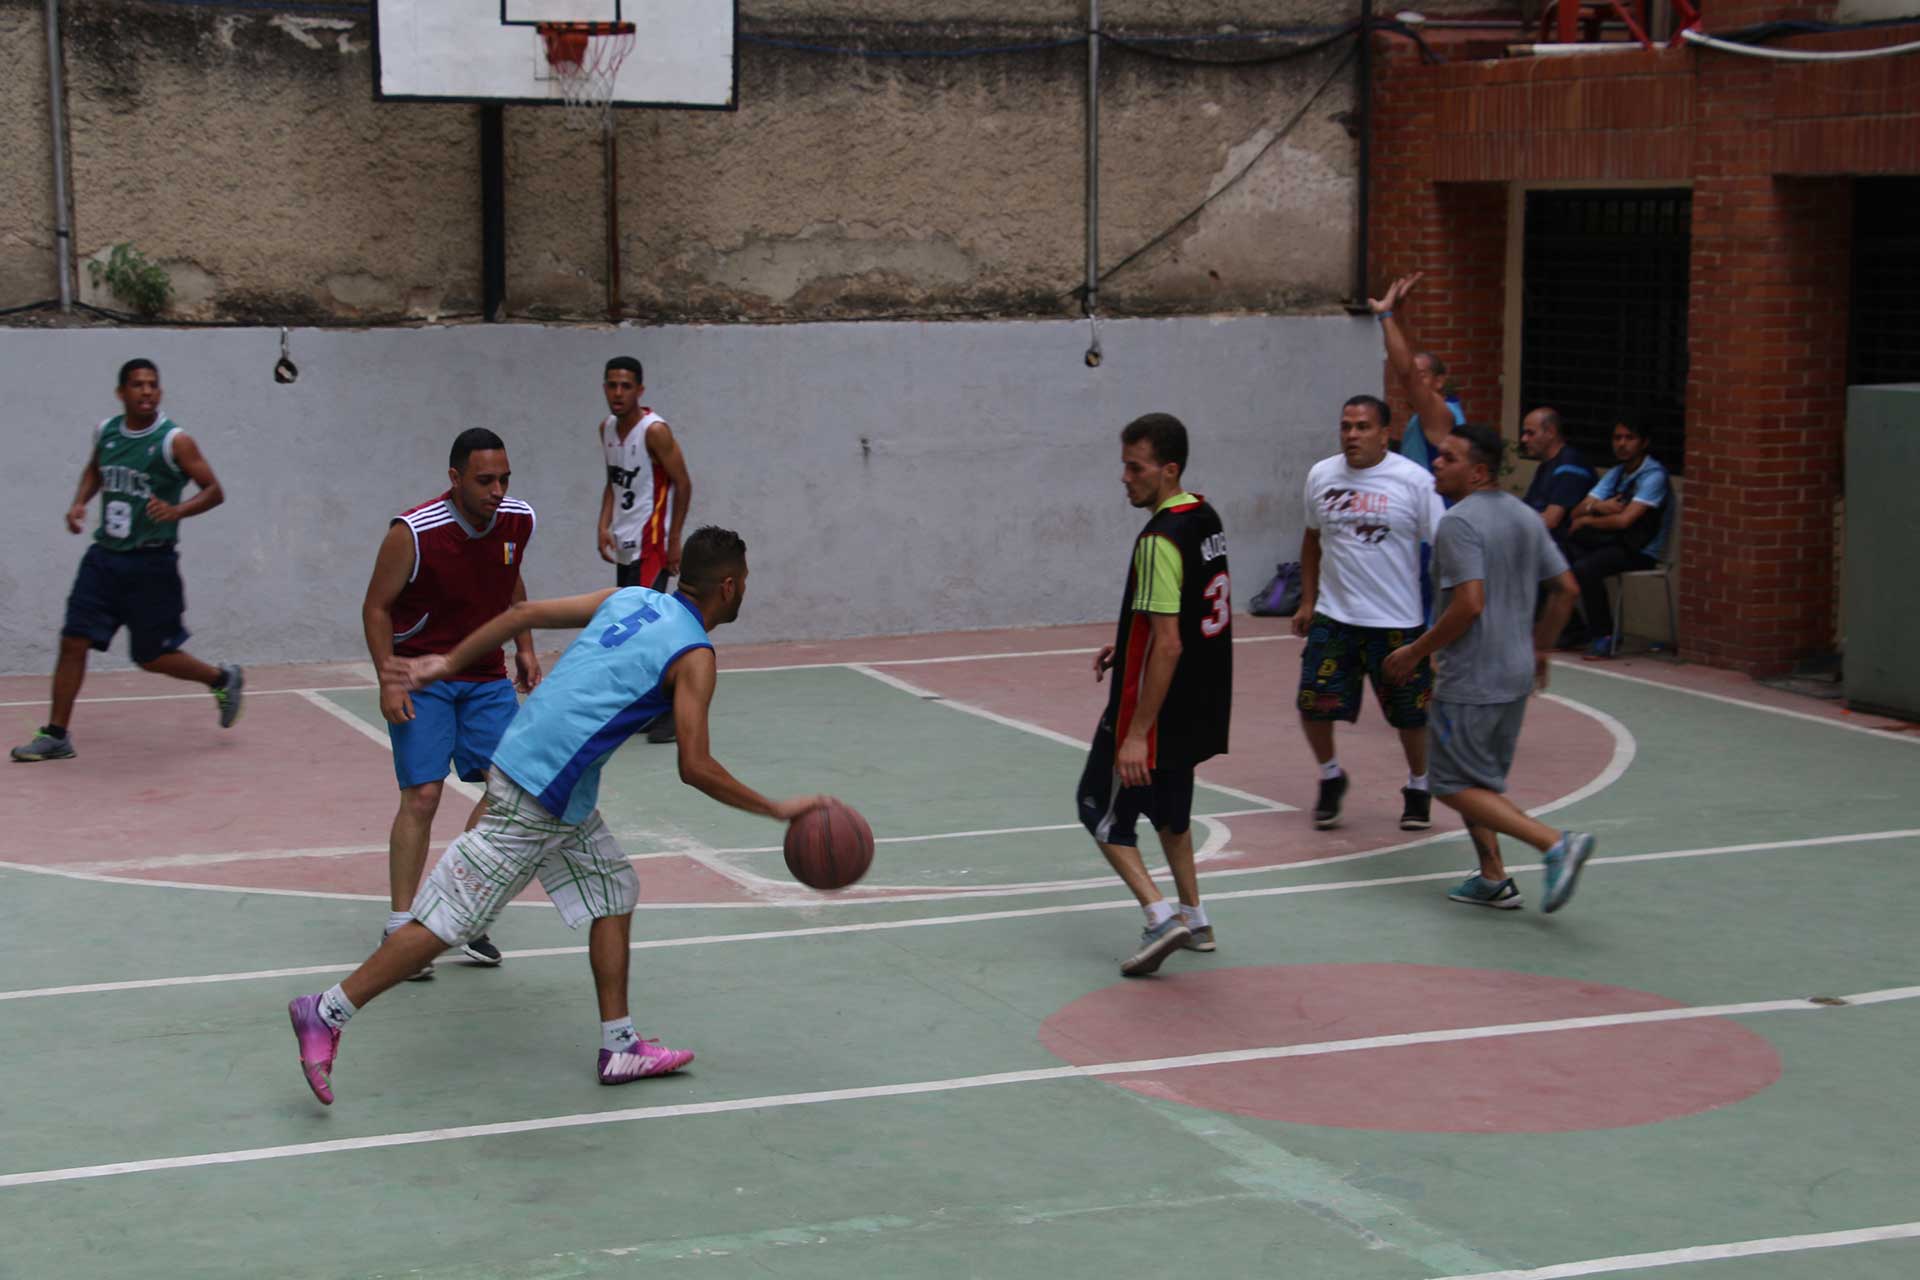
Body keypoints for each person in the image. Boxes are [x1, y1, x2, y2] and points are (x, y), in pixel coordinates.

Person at [289, 527, 830, 1105]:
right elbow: (694, 766)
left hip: (546, 775)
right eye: (744, 582)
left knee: (613, 889)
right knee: (449, 923)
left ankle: (619, 1045)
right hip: (540, 790)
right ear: (729, 585)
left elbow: (522, 611)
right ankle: (326, 1011)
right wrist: (776, 808)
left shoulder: (630, 598)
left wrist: (444, 663)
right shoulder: (694, 654)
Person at [1382, 424, 1595, 912]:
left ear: (1478, 471)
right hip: (1514, 674)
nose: (1436, 463)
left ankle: (1555, 844)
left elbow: (1469, 604)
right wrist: (1539, 648)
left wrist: (1416, 651)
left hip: (1472, 677)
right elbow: (1567, 589)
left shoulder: (1458, 523)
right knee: (1477, 782)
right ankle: (1492, 876)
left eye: (1449, 458)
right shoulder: (1525, 516)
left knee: (1450, 784)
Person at [361, 428, 539, 977]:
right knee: (422, 795)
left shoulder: (518, 519)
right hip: (422, 673)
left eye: (505, 478)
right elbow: (375, 608)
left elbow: (511, 581)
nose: (497, 490)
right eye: (485, 480)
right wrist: (389, 680)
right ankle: (400, 926)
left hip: (484, 674)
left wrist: (526, 645)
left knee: (507, 792)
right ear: (455, 478)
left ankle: (459, 907)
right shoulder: (413, 532)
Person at [12, 359, 243, 763]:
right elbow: (94, 469)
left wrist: (178, 511)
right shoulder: (107, 432)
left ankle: (221, 678)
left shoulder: (175, 441)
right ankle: (56, 735)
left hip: (151, 564)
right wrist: (79, 503)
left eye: (153, 385)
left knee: (152, 657)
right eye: (138, 385)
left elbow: (214, 491)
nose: (147, 392)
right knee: (73, 640)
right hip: (103, 558)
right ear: (122, 392)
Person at [1080, 414, 1233, 978]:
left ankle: (1159, 916)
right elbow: (1184, 611)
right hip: (1197, 704)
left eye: (1135, 467)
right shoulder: (1203, 516)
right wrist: (1127, 641)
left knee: (1098, 809)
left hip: (1156, 711)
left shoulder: (1158, 540)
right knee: (1172, 815)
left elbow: (1167, 644)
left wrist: (1137, 733)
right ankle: (1196, 918)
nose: (1124, 477)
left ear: (1169, 471)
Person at [1293, 395, 1445, 832]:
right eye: (1345, 426)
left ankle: (1419, 785)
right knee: (1313, 703)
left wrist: (1436, 630)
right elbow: (1310, 539)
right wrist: (1308, 600)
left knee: (1410, 717)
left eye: (1362, 427)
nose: (1351, 435)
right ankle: (1330, 777)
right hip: (1334, 616)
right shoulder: (1321, 475)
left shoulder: (1414, 481)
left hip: (1397, 624)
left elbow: (1445, 551)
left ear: (1384, 434)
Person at [596, 357, 692, 745]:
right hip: (625, 542)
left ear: (640, 390)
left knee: (647, 632)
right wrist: (603, 523)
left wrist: (674, 540)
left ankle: (673, 710)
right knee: (631, 629)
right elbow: (612, 481)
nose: (618, 393)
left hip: (653, 544)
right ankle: (653, 708)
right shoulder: (606, 429)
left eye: (626, 386)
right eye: (611, 385)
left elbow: (683, 484)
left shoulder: (655, 432)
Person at [1564, 419, 1672, 659]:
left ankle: (1603, 635)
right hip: (1612, 543)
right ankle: (1571, 628)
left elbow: (1625, 521)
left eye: (1629, 438)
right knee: (1557, 551)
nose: (1622, 444)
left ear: (1645, 443)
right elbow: (1576, 510)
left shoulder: (1653, 476)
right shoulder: (1616, 474)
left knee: (1585, 568)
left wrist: (1588, 520)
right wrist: (1599, 506)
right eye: (1617, 438)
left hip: (1641, 551)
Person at [1369, 272, 1466, 474]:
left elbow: (1407, 372)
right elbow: (1408, 362)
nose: (1415, 381)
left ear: (1439, 381)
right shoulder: (1432, 409)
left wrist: (1385, 315)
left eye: (1422, 376)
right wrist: (1399, 311)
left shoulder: (1440, 413)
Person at [1517, 407, 1596, 549]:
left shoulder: (1570, 464)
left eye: (1530, 433)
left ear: (1551, 432)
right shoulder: (1546, 465)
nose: (1524, 439)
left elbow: (1551, 520)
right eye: (1524, 433)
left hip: (1564, 548)